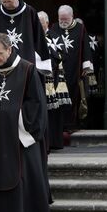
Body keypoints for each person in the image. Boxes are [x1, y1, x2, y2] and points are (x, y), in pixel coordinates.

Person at [0, 33, 51, 212]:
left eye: (0, 54)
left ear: (10, 49)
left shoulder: (28, 70)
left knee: (23, 181)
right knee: (1, 183)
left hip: (21, 137)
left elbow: (37, 103)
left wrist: (16, 118)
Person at [0, 0, 51, 74]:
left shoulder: (30, 12)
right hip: (3, 64)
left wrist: (44, 60)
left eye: (9, 1)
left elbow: (39, 38)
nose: (6, 4)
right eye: (3, 2)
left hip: (26, 64)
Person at [50, 5, 93, 131]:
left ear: (72, 17)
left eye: (65, 19)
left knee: (74, 96)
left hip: (75, 69)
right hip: (58, 70)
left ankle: (71, 124)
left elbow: (86, 46)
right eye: (60, 19)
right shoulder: (54, 27)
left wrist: (86, 66)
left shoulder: (80, 28)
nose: (62, 22)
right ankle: (59, 125)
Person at [39, 11, 67, 151]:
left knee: (53, 111)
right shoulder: (33, 36)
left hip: (54, 79)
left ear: (47, 23)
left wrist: (50, 52)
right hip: (38, 78)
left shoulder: (55, 36)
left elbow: (61, 54)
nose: (39, 25)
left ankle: (54, 141)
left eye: (41, 22)